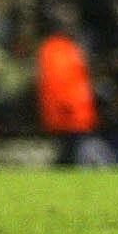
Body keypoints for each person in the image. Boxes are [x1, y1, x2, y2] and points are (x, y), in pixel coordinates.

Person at [37, 12, 97, 167]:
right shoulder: (56, 48)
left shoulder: (65, 47)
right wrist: (67, 105)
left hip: (73, 112)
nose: (72, 27)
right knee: (69, 154)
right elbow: (58, 79)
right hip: (68, 114)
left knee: (69, 154)